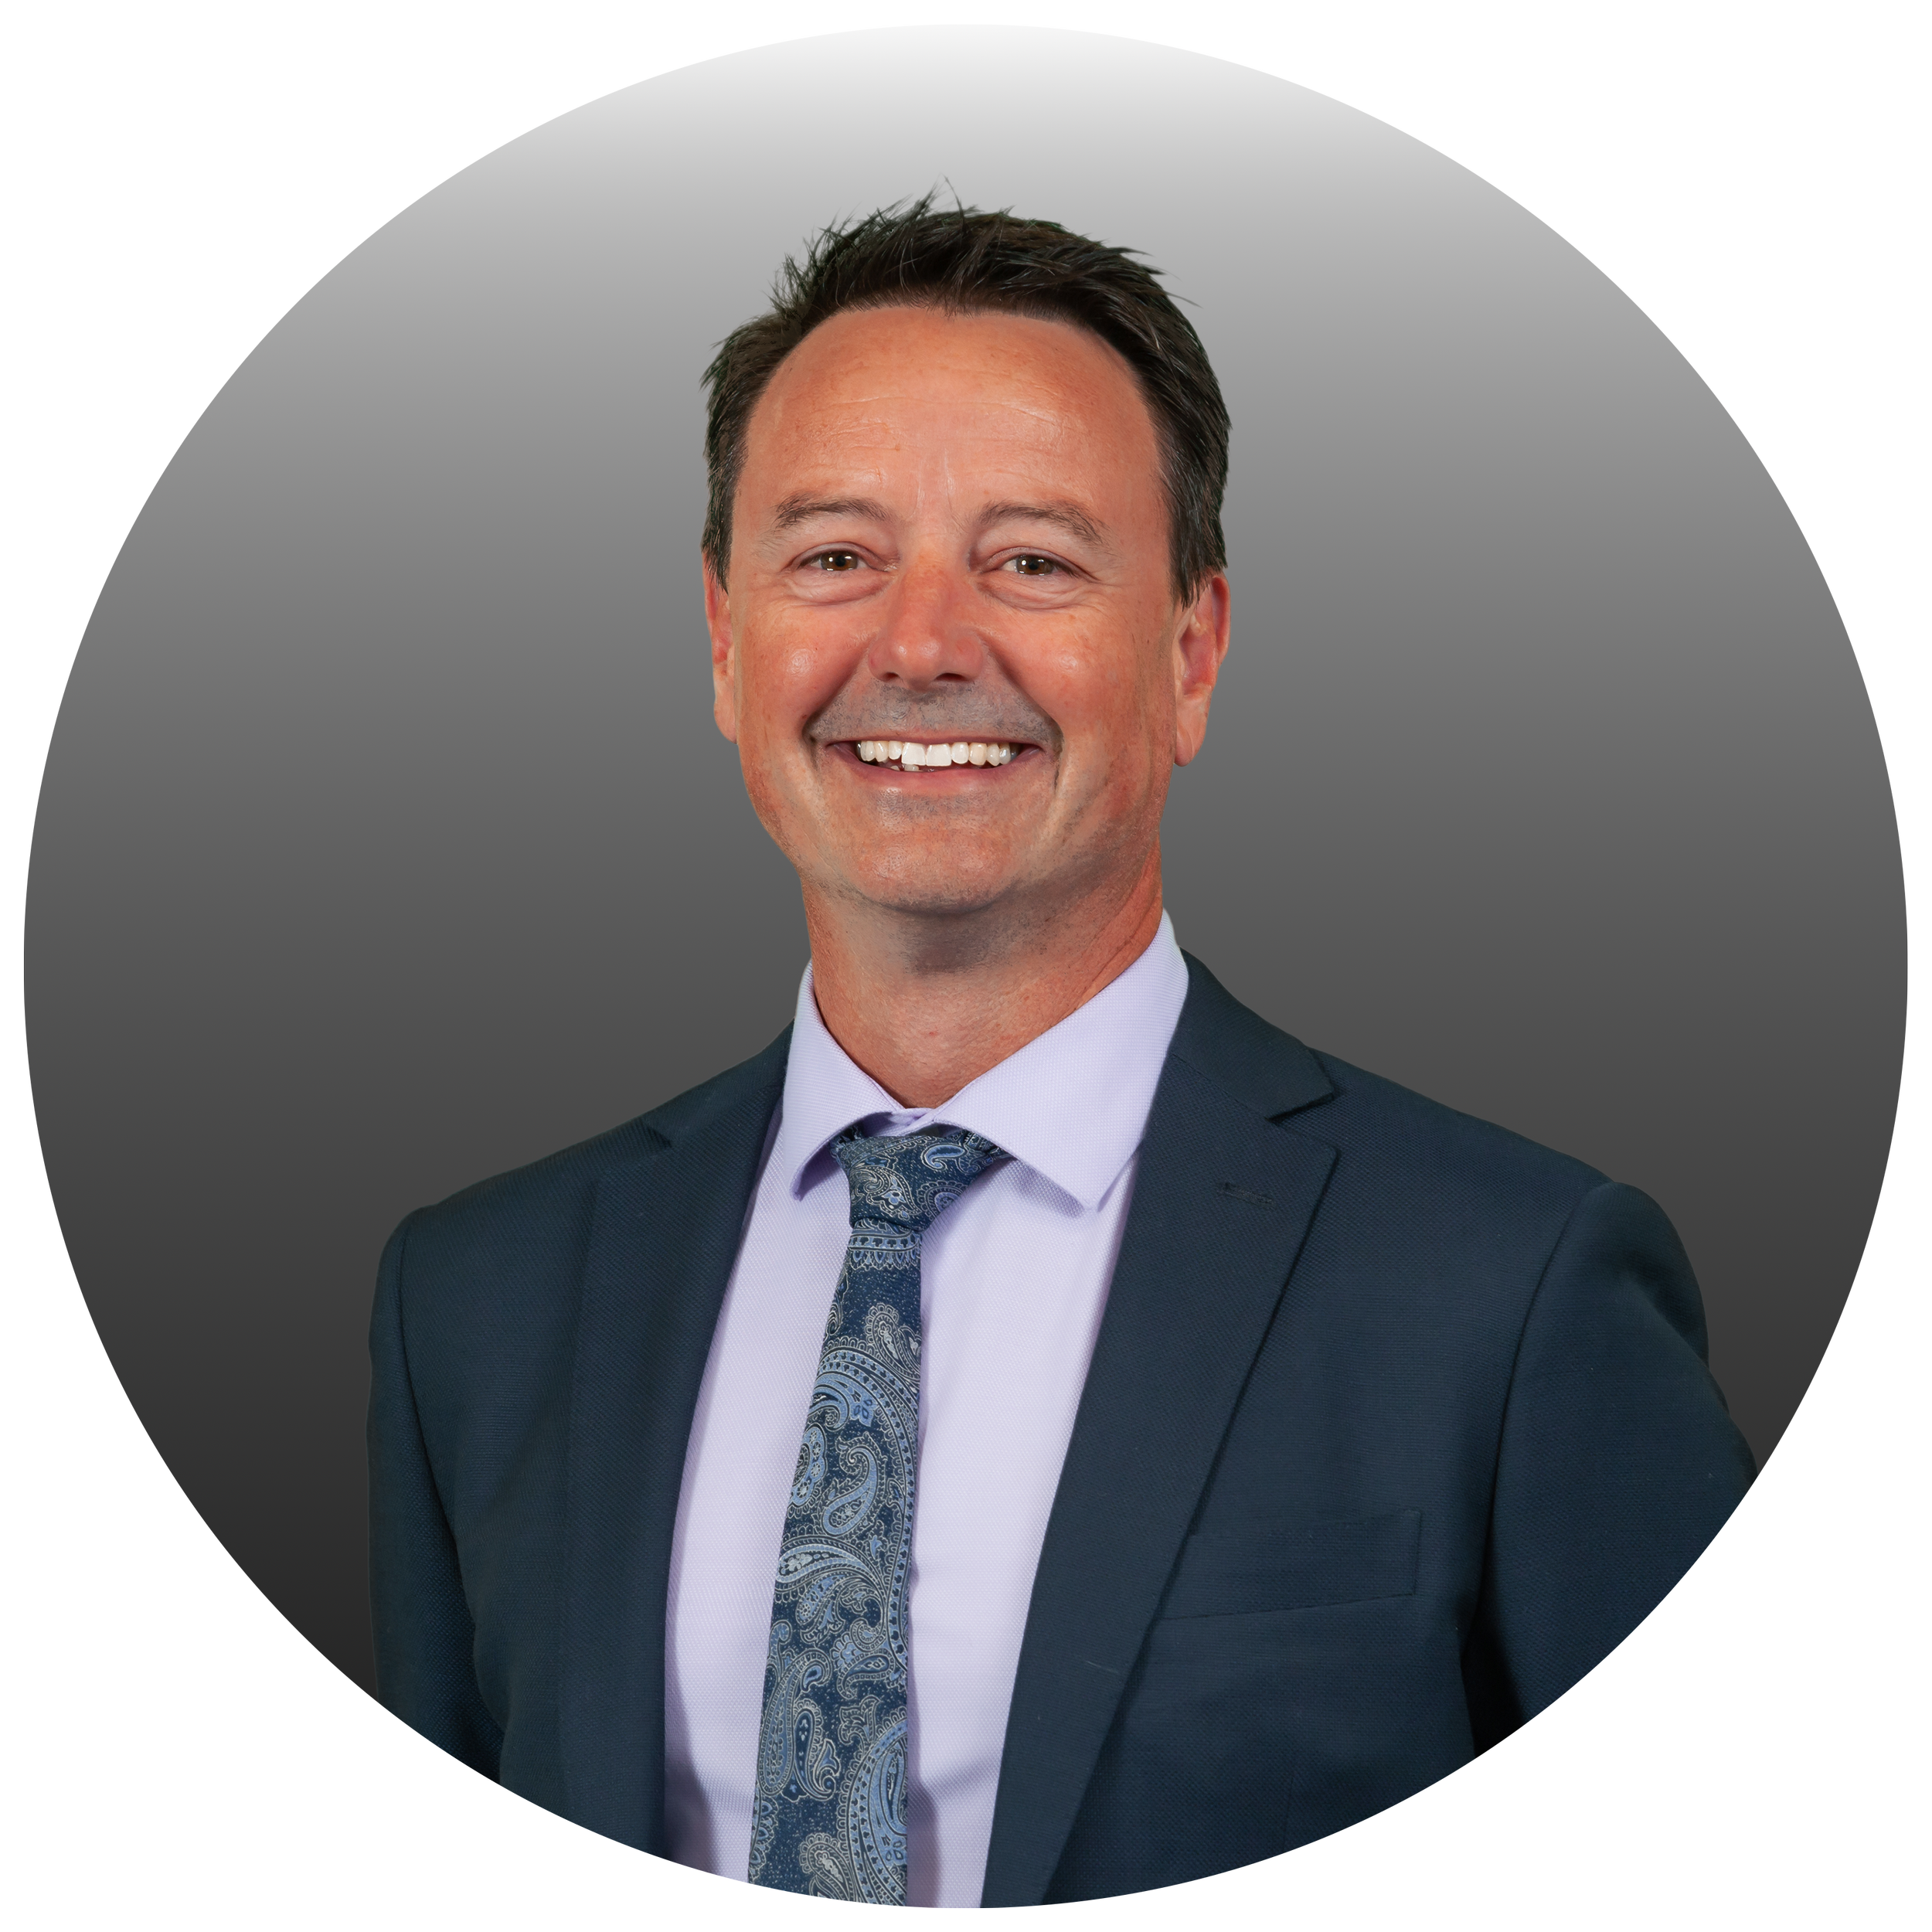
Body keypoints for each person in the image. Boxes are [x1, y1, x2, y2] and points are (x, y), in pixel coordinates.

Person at [367, 198, 1756, 1909]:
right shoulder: (481, 1298)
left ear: (1188, 653)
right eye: (832, 556)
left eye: (1030, 557)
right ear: (726, 646)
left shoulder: (1508, 1286)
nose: (925, 642)